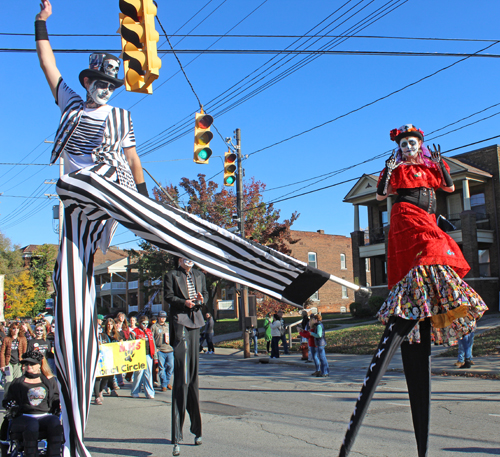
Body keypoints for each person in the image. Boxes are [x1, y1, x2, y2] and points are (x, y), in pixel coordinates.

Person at [35, 3, 330, 454]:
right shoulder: (70, 104)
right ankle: (71, 428)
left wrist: (142, 199)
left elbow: (133, 160)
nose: (102, 90)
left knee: (173, 229)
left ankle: (289, 279)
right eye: (96, 83)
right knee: (73, 286)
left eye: (109, 86)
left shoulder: (121, 118)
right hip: (79, 194)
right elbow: (47, 61)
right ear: (87, 83)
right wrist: (42, 23)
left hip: (114, 193)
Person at [339, 124, 488, 457]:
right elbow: (381, 197)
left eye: (413, 142)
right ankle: (416, 294)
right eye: (404, 143)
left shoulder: (430, 166)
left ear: (420, 145)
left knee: (443, 247)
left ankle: (434, 300)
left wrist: (441, 165)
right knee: (435, 247)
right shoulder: (396, 170)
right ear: (400, 147)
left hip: (428, 215)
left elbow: (448, 188)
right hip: (406, 216)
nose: (408, 146)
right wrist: (387, 175)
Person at [165, 258, 208, 456]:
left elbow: (205, 295)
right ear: (180, 260)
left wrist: (201, 299)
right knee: (181, 379)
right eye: (183, 258)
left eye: (190, 258)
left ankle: (196, 429)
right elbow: (169, 296)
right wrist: (184, 302)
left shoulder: (199, 275)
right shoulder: (171, 275)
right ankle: (177, 436)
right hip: (180, 321)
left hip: (195, 321)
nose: (187, 261)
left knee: (192, 379)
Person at [2, 350, 63, 457]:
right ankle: (31, 454)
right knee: (32, 424)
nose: (28, 366)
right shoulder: (17, 382)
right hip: (23, 416)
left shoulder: (49, 382)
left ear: (39, 365)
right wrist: (10, 404)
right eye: (26, 364)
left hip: (44, 415)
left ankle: (54, 455)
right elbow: (6, 401)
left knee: (54, 422)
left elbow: (55, 398)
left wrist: (58, 405)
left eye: (32, 364)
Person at [94, 319, 121, 404]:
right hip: (98, 359)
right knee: (98, 378)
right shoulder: (96, 336)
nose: (109, 326)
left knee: (107, 376)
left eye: (111, 324)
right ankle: (97, 397)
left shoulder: (107, 336)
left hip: (108, 359)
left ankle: (100, 390)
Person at [131, 315, 156, 399]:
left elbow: (153, 344)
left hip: (148, 354)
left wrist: (155, 356)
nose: (145, 325)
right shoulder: (135, 331)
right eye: (143, 323)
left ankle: (149, 392)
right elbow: (130, 344)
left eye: (147, 323)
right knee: (138, 373)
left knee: (148, 374)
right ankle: (135, 391)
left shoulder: (149, 331)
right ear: (140, 323)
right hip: (139, 355)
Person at [0, 323, 28, 394]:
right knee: (8, 381)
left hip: (18, 363)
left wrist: (24, 365)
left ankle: (16, 399)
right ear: (10, 330)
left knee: (17, 382)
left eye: (17, 328)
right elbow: (2, 352)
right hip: (8, 363)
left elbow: (24, 352)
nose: (15, 330)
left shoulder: (22, 339)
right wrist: (2, 365)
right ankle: (7, 399)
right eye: (14, 328)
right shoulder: (6, 339)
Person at [151, 310, 174, 392]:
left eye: (164, 317)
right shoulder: (154, 326)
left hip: (169, 349)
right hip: (160, 350)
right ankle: (164, 384)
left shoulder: (168, 326)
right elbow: (151, 339)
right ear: (158, 317)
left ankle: (167, 382)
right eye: (161, 317)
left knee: (170, 366)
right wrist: (154, 349)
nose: (163, 318)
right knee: (161, 368)